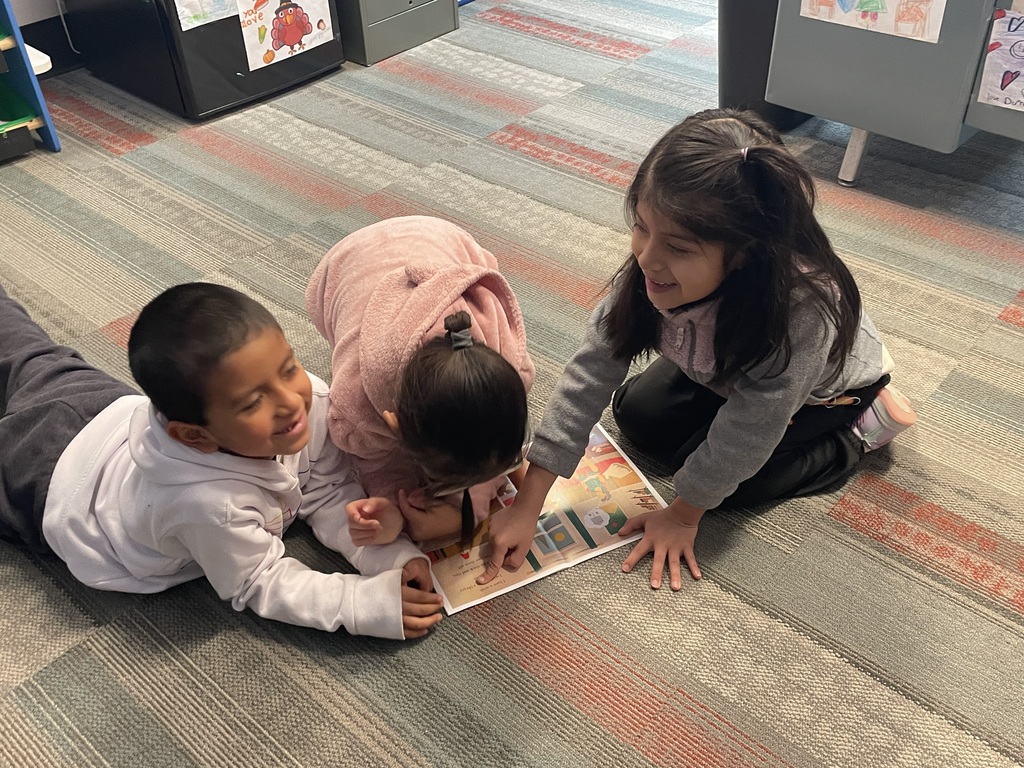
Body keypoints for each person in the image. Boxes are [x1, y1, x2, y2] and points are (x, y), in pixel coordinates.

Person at [478, 108, 917, 591]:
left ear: (747, 252)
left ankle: (858, 434)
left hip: (823, 391)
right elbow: (593, 368)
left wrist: (685, 516)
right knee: (636, 414)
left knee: (724, 481)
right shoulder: (656, 264)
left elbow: (750, 431)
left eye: (679, 248)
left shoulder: (801, 313)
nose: (646, 258)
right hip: (721, 366)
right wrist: (529, 502)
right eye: (640, 226)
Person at [0, 282, 442, 640]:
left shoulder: (306, 407)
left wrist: (392, 558)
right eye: (253, 402)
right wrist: (361, 604)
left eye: (288, 369)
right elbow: (257, 581)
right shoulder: (211, 505)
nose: (291, 401)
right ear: (196, 436)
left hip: (97, 408)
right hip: (47, 482)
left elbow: (324, 487)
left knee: (26, 348)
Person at [305, 215, 534, 547]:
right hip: (343, 265)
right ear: (392, 424)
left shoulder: (509, 355)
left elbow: (500, 433)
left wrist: (518, 476)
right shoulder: (357, 403)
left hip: (441, 236)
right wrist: (393, 501)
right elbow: (376, 461)